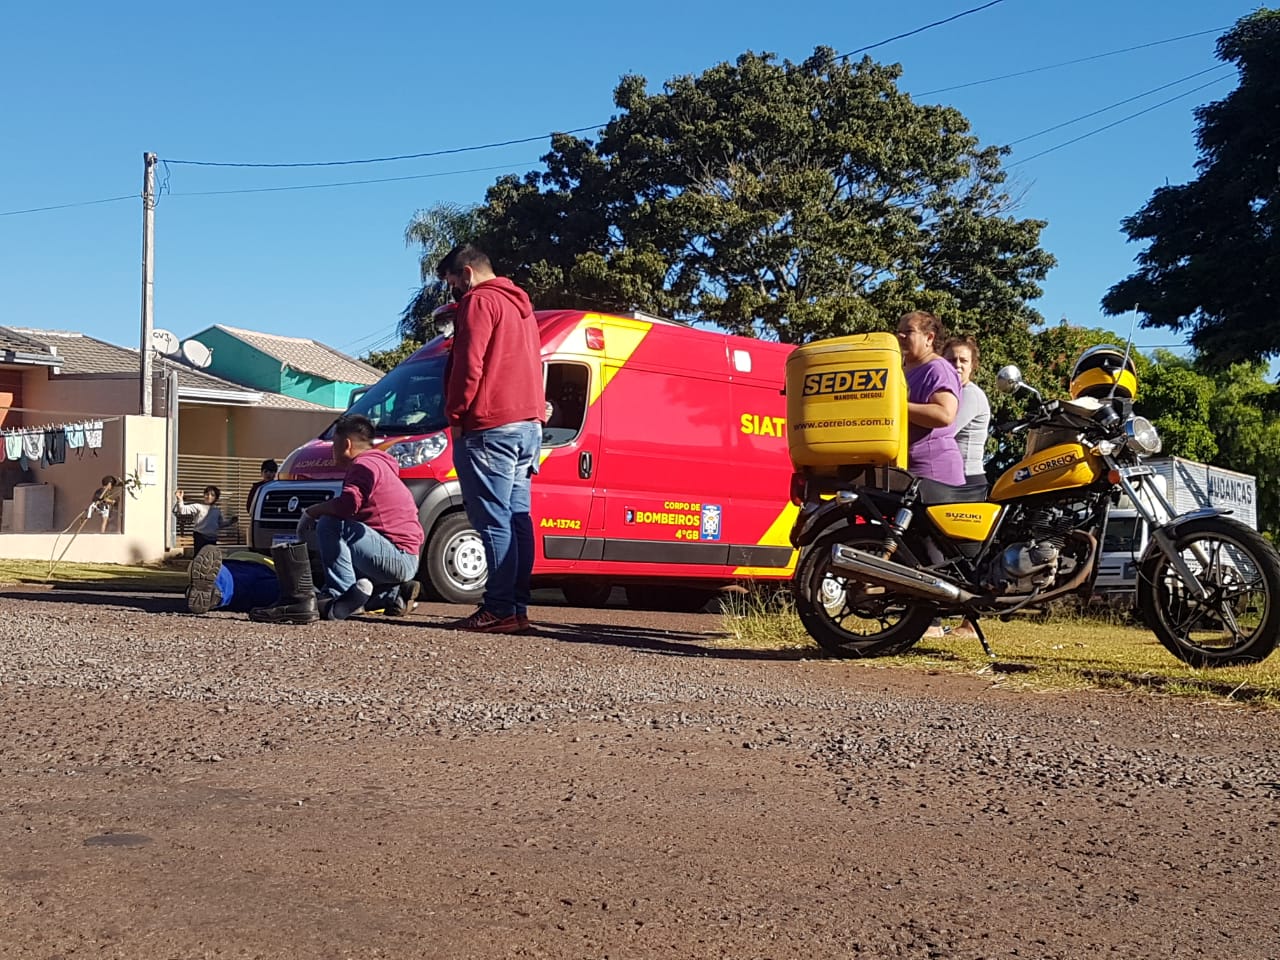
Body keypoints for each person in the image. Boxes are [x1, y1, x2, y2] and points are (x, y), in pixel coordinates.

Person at [437, 244, 545, 634]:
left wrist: (456, 414)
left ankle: (498, 607)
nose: (454, 291)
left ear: (466, 273)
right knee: (517, 518)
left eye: (452, 282)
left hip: (490, 426)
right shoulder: (522, 308)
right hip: (527, 425)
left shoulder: (479, 302)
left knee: (493, 519)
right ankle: (516, 607)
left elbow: (470, 362)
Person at [252, 414, 424, 623]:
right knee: (349, 561)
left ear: (346, 444)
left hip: (395, 556)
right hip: (403, 556)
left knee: (331, 524)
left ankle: (340, 594)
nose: (332, 449)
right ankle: (394, 595)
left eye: (334, 443)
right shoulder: (380, 464)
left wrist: (313, 512)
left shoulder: (363, 466)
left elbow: (348, 505)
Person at [897, 311, 965, 486]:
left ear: (929, 338)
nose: (900, 335)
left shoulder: (937, 369)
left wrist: (895, 407)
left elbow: (944, 415)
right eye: (898, 331)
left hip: (933, 475)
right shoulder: (899, 369)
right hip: (905, 472)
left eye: (909, 331)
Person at [942, 336, 992, 488]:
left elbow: (944, 431)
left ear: (972, 366)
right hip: (949, 478)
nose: (957, 365)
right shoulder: (949, 393)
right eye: (951, 360)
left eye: (963, 360)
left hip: (966, 479)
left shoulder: (970, 394)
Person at [174, 485, 238, 552]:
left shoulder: (217, 510)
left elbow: (220, 524)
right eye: (207, 494)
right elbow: (183, 510)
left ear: (216, 498)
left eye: (212, 495)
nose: (209, 497)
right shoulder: (198, 507)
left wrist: (230, 521)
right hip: (200, 537)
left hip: (212, 538)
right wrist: (180, 499)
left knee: (210, 557)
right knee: (199, 557)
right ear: (204, 495)